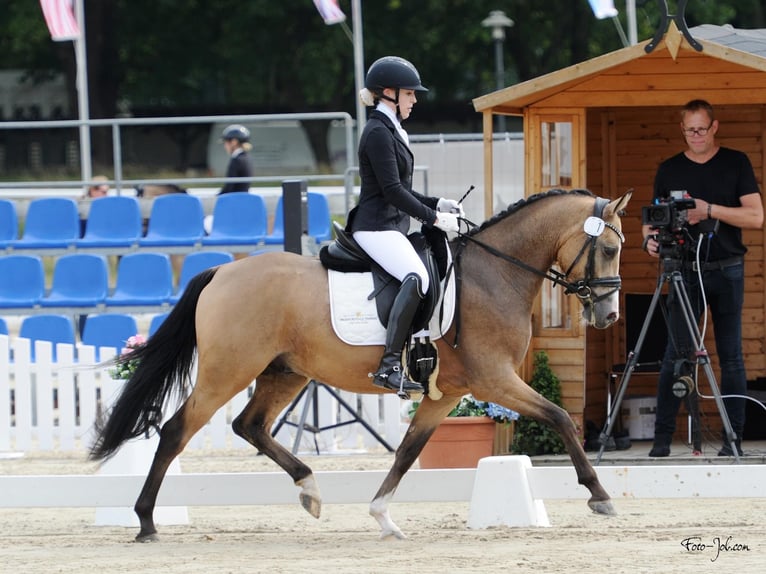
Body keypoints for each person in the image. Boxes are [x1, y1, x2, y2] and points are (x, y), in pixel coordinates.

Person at [642, 99, 764, 457]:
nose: (695, 136)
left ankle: (733, 439)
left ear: (714, 127)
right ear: (682, 130)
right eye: (689, 130)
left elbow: (756, 216)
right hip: (682, 269)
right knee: (675, 355)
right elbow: (652, 220)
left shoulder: (735, 162)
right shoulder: (669, 169)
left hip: (727, 268)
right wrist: (650, 241)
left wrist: (708, 210)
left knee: (731, 356)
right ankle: (662, 441)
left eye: (701, 129)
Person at [346, 56, 463, 395]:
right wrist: (435, 219)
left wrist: (436, 203)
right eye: (410, 94)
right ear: (388, 93)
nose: (415, 100)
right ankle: (389, 365)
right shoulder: (377, 133)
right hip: (375, 227)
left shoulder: (391, 130)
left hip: (391, 224)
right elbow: (392, 191)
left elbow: (402, 188)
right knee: (418, 277)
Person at [219, 124, 253, 194]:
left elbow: (229, 186)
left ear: (234, 142)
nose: (225, 146)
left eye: (225, 143)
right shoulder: (246, 158)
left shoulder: (237, 160)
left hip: (234, 199)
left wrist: (217, 196)